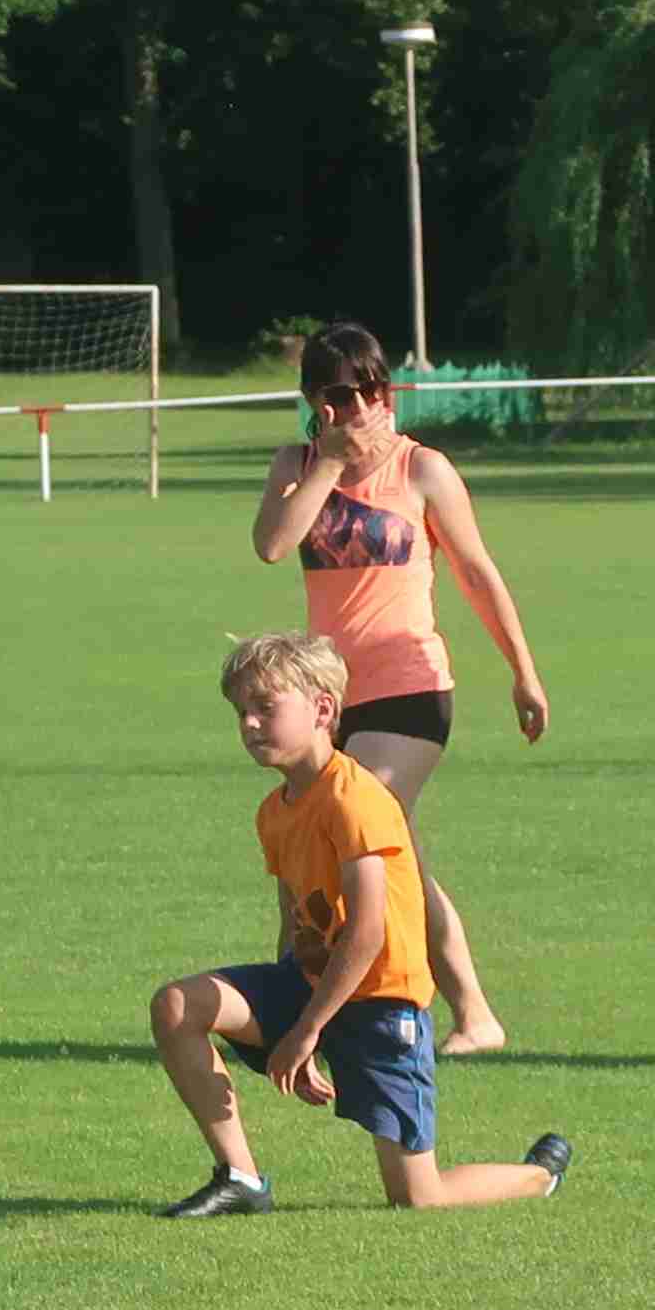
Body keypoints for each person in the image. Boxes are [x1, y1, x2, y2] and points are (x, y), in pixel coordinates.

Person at [146, 634, 569, 1219]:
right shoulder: (274, 811)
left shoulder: (356, 799)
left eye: (265, 707)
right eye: (241, 711)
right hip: (315, 988)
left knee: (417, 1196)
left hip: (381, 1007)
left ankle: (538, 1176)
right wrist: (291, 1013)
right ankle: (241, 1178)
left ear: (323, 709)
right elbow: (295, 920)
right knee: (177, 1005)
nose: (249, 724)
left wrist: (305, 1032)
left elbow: (367, 935)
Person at [248, 323, 550, 1056]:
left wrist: (524, 672)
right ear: (314, 401)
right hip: (327, 696)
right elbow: (273, 544)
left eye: (374, 389)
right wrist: (329, 463)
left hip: (410, 685)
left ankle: (338, 1007)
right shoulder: (296, 464)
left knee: (355, 822)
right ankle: (465, 1013)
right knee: (379, 850)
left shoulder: (423, 469)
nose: (364, 407)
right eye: (343, 394)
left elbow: (477, 573)